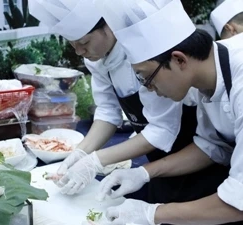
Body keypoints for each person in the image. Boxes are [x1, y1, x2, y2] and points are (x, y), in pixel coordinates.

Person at [29, 0, 228, 204]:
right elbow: (107, 111)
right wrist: (81, 153)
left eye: (85, 43)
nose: (80, 52)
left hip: (193, 155)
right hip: (161, 162)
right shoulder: (100, 60)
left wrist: (97, 161)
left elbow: (163, 128)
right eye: (73, 46)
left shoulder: (148, 58)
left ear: (110, 26)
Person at [93, 0, 243, 224]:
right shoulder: (206, 78)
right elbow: (211, 146)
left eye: (147, 78)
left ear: (179, 59)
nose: (148, 89)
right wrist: (144, 173)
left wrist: (151, 213)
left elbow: (237, 203)